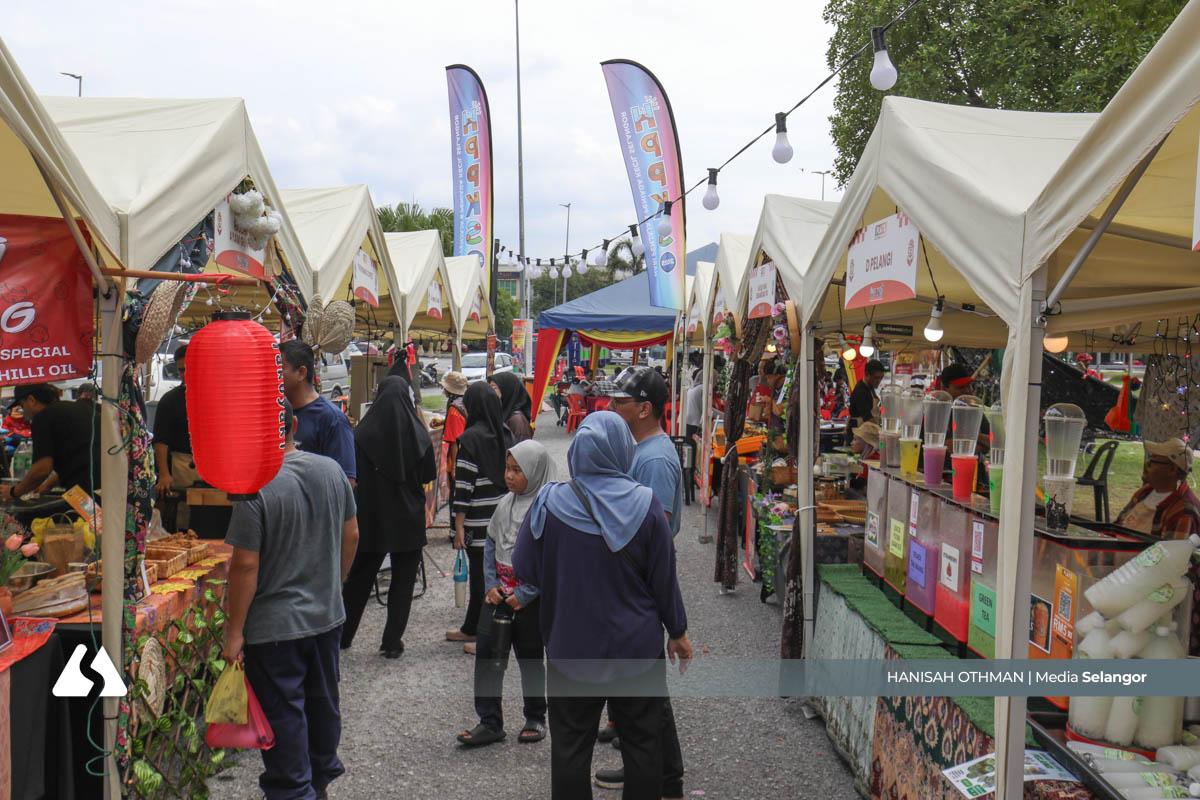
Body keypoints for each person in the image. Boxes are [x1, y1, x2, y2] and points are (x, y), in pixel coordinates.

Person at [512, 412, 691, 799]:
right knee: (643, 745)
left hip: (570, 649)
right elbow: (664, 579)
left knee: (570, 749)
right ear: (622, 449)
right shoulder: (646, 505)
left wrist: (565, 575)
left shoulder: (549, 501)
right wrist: (677, 631)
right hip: (636, 650)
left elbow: (524, 567)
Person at [222, 401, 359, 800]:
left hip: (274, 627)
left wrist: (234, 633)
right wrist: (336, 582)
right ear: (293, 425)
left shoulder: (254, 486)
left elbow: (246, 565)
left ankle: (295, 790)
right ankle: (316, 782)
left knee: (285, 715)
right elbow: (352, 535)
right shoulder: (332, 471)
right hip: (326, 616)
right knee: (323, 705)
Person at [602, 367, 686, 796]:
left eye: (621, 402)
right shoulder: (644, 449)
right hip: (637, 580)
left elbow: (654, 531)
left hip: (641, 581)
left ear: (645, 408)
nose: (614, 407)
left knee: (647, 686)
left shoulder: (653, 458)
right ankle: (652, 767)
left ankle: (661, 774)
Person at [457, 440, 553, 747]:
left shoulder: (548, 509)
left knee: (530, 658)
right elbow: (490, 543)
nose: (509, 476)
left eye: (517, 470)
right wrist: (490, 585)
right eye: (507, 469)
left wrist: (526, 593)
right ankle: (490, 721)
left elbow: (551, 559)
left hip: (530, 600)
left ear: (535, 472)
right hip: (499, 594)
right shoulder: (505, 503)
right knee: (487, 655)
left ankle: (536, 717)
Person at [340, 376, 435, 658]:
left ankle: (343, 637)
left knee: (359, 579)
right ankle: (392, 641)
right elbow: (429, 475)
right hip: (407, 518)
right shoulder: (419, 435)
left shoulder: (362, 434)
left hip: (372, 516)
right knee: (403, 582)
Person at [447, 382, 513, 653]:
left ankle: (482, 634)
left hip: (477, 522)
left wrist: (458, 527)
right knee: (496, 577)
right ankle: (472, 628)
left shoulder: (470, 439)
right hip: (502, 521)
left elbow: (463, 487)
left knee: (481, 581)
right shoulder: (505, 434)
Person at [0, 383, 99, 501]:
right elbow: (77, 460)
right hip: (110, 489)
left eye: (22, 405)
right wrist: (47, 485)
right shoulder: (83, 408)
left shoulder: (42, 418)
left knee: (76, 519)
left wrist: (13, 492)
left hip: (85, 497)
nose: (24, 412)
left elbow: (42, 469)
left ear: (31, 400)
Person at [280, 340, 357, 484]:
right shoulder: (276, 413)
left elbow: (346, 483)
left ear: (301, 373)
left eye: (280, 369)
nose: (273, 375)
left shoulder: (333, 419)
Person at [1115, 439, 1200, 537]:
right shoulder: (1145, 492)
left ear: (1173, 469)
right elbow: (1117, 526)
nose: (1146, 465)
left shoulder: (1184, 511)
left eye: (1153, 461)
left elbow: (1170, 551)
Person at [152, 345, 197, 530]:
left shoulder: (215, 395)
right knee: (183, 520)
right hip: (182, 465)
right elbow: (161, 441)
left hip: (212, 467)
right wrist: (164, 474)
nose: (184, 374)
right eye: (181, 370)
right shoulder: (170, 400)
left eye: (189, 369)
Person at [432, 371, 469, 474]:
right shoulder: (464, 401)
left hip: (460, 456)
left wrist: (454, 467)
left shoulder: (454, 409)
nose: (444, 390)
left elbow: (455, 442)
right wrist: (443, 422)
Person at [489, 371, 533, 443]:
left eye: (494, 388)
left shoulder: (517, 421)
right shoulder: (504, 412)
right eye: (489, 387)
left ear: (507, 390)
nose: (490, 391)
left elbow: (521, 451)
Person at [848, 359, 885, 426]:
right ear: (867, 374)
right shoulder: (861, 391)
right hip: (859, 432)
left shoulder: (870, 388)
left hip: (869, 431)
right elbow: (868, 418)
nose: (879, 381)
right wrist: (880, 429)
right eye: (876, 378)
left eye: (881, 378)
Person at [684, 367, 705, 443]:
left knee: (689, 445)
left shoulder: (692, 388)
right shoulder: (702, 388)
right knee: (694, 446)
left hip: (687, 420)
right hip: (695, 422)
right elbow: (706, 407)